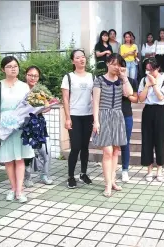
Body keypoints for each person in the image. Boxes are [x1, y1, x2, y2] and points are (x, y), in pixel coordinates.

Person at [0, 56, 35, 203]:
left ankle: (19, 191)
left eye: (15, 66)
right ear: (3, 69)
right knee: (8, 160)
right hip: (5, 127)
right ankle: (12, 188)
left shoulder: (24, 86)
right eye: (9, 66)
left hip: (20, 126)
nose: (13, 68)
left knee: (20, 159)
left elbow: (30, 107)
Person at [92, 54, 134, 197]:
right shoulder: (99, 80)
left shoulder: (121, 81)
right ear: (108, 64)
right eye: (114, 64)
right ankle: (107, 184)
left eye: (119, 64)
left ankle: (113, 180)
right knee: (108, 151)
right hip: (103, 116)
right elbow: (95, 102)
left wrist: (124, 77)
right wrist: (96, 121)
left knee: (116, 151)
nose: (117, 67)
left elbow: (129, 93)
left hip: (117, 116)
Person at [61, 49, 94, 189]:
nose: (82, 59)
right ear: (73, 61)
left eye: (83, 57)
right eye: (78, 57)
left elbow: (96, 97)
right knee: (75, 147)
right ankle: (70, 176)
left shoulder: (92, 77)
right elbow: (65, 99)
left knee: (85, 147)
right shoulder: (68, 77)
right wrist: (68, 118)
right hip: (74, 115)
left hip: (88, 115)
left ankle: (83, 173)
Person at [138, 58, 164, 182]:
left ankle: (159, 169)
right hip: (148, 110)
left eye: (151, 69)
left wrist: (154, 84)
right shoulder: (143, 80)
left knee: (159, 140)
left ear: (157, 68)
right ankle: (149, 170)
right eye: (147, 69)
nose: (149, 72)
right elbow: (141, 98)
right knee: (147, 140)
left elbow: (161, 97)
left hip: (160, 111)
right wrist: (147, 85)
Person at [23, 66, 53, 187]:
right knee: (28, 151)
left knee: (46, 150)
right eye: (30, 75)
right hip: (25, 124)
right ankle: (27, 177)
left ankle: (44, 174)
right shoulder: (21, 89)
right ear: (25, 75)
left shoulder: (41, 90)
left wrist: (45, 107)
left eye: (35, 75)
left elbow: (48, 106)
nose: (33, 78)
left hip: (39, 123)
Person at [120, 69, 139, 182]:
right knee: (111, 145)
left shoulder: (131, 81)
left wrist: (127, 95)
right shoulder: (112, 81)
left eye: (123, 67)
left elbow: (136, 99)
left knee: (125, 143)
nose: (121, 70)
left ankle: (125, 170)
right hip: (112, 116)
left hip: (126, 115)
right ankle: (110, 170)